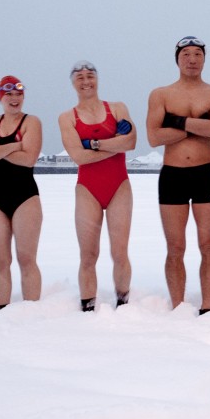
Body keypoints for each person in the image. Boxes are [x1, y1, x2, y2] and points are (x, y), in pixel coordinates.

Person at [146, 37, 210, 314]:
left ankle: (207, 306)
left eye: (197, 54)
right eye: (186, 54)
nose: (192, 59)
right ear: (177, 59)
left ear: (204, 59)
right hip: (172, 176)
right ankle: (178, 305)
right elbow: (154, 137)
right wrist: (199, 125)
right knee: (175, 246)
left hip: (205, 173)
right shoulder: (161, 94)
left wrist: (176, 121)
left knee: (208, 243)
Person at [59, 60, 136, 312]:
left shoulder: (117, 108)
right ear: (73, 84)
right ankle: (87, 306)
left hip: (119, 186)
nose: (86, 81)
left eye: (90, 76)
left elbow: (131, 142)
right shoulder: (67, 117)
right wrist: (114, 142)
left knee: (119, 251)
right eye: (79, 77)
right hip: (87, 189)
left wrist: (92, 144)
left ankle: (123, 301)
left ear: (98, 79)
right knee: (88, 254)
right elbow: (78, 158)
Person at [0, 75, 43, 310]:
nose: (14, 98)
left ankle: (31, 314)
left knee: (27, 260)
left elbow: (29, 159)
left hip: (25, 197)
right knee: (0, 262)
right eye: (9, 95)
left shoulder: (31, 122)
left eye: (19, 94)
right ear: (0, 98)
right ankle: (0, 312)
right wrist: (15, 145)